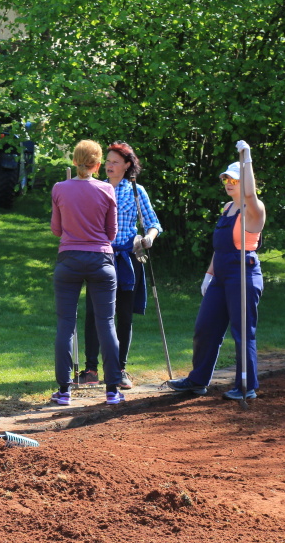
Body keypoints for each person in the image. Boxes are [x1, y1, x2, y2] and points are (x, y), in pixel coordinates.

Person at [167, 141, 266, 400]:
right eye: (226, 179)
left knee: (242, 332)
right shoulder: (226, 208)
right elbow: (220, 247)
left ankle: (246, 386)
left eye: (234, 180)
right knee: (205, 328)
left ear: (245, 181)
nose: (228, 183)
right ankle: (197, 380)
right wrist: (209, 274)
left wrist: (247, 157)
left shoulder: (253, 209)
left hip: (243, 274)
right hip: (221, 274)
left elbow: (250, 195)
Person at [78, 142, 164, 389]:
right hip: (99, 258)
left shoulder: (136, 191)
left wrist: (149, 238)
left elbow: (154, 223)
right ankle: (91, 369)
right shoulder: (95, 188)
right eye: (107, 161)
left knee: (124, 316)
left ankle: (119, 369)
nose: (110, 166)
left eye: (115, 162)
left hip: (127, 259)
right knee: (94, 313)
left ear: (127, 165)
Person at [50, 140, 124, 406]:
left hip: (69, 259)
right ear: (98, 164)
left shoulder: (59, 188)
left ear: (75, 161)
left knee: (65, 324)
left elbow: (56, 230)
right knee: (106, 323)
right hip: (101, 260)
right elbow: (111, 233)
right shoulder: (107, 189)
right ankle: (112, 390)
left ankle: (64, 391)